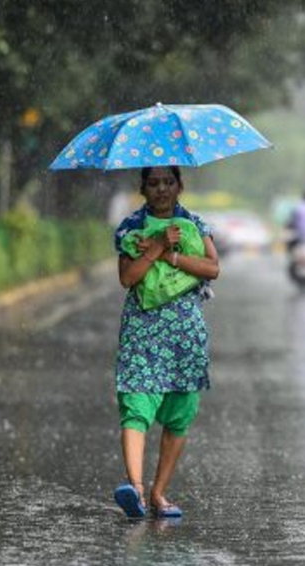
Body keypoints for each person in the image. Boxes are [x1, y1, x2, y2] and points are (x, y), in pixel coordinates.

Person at [111, 165, 220, 519]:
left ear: (179, 186)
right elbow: (128, 278)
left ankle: (159, 493)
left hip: (184, 333)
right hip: (143, 331)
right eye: (154, 183)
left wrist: (172, 254)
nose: (161, 189)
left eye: (168, 182)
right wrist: (154, 248)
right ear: (142, 188)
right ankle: (136, 490)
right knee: (136, 403)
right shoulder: (131, 229)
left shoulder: (194, 225)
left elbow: (212, 268)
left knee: (179, 413)